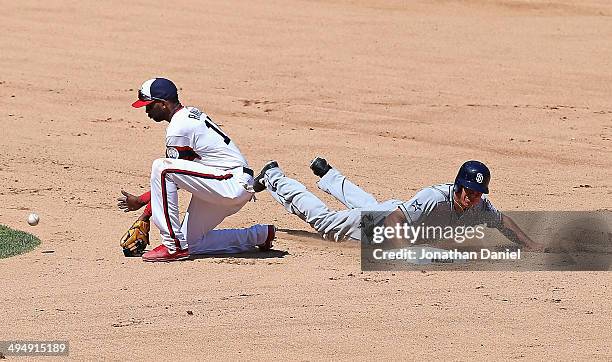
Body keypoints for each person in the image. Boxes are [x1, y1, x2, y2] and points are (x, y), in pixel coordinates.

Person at [118, 77, 275, 262]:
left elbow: (170, 179)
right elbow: (174, 180)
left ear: (162, 104)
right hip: (223, 184)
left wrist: (143, 210)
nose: (146, 110)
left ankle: (172, 246)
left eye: (149, 105)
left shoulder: (178, 129)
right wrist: (143, 207)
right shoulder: (189, 114)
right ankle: (259, 235)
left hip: (229, 182)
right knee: (192, 243)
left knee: (161, 167)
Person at [251, 157, 542, 250]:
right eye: (469, 190)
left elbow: (503, 221)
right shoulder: (434, 197)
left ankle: (327, 175)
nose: (473, 196)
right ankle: (276, 176)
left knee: (371, 203)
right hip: (382, 224)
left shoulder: (480, 205)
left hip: (395, 210)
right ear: (458, 185)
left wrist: (531, 246)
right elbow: (393, 223)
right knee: (326, 225)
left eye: (479, 192)